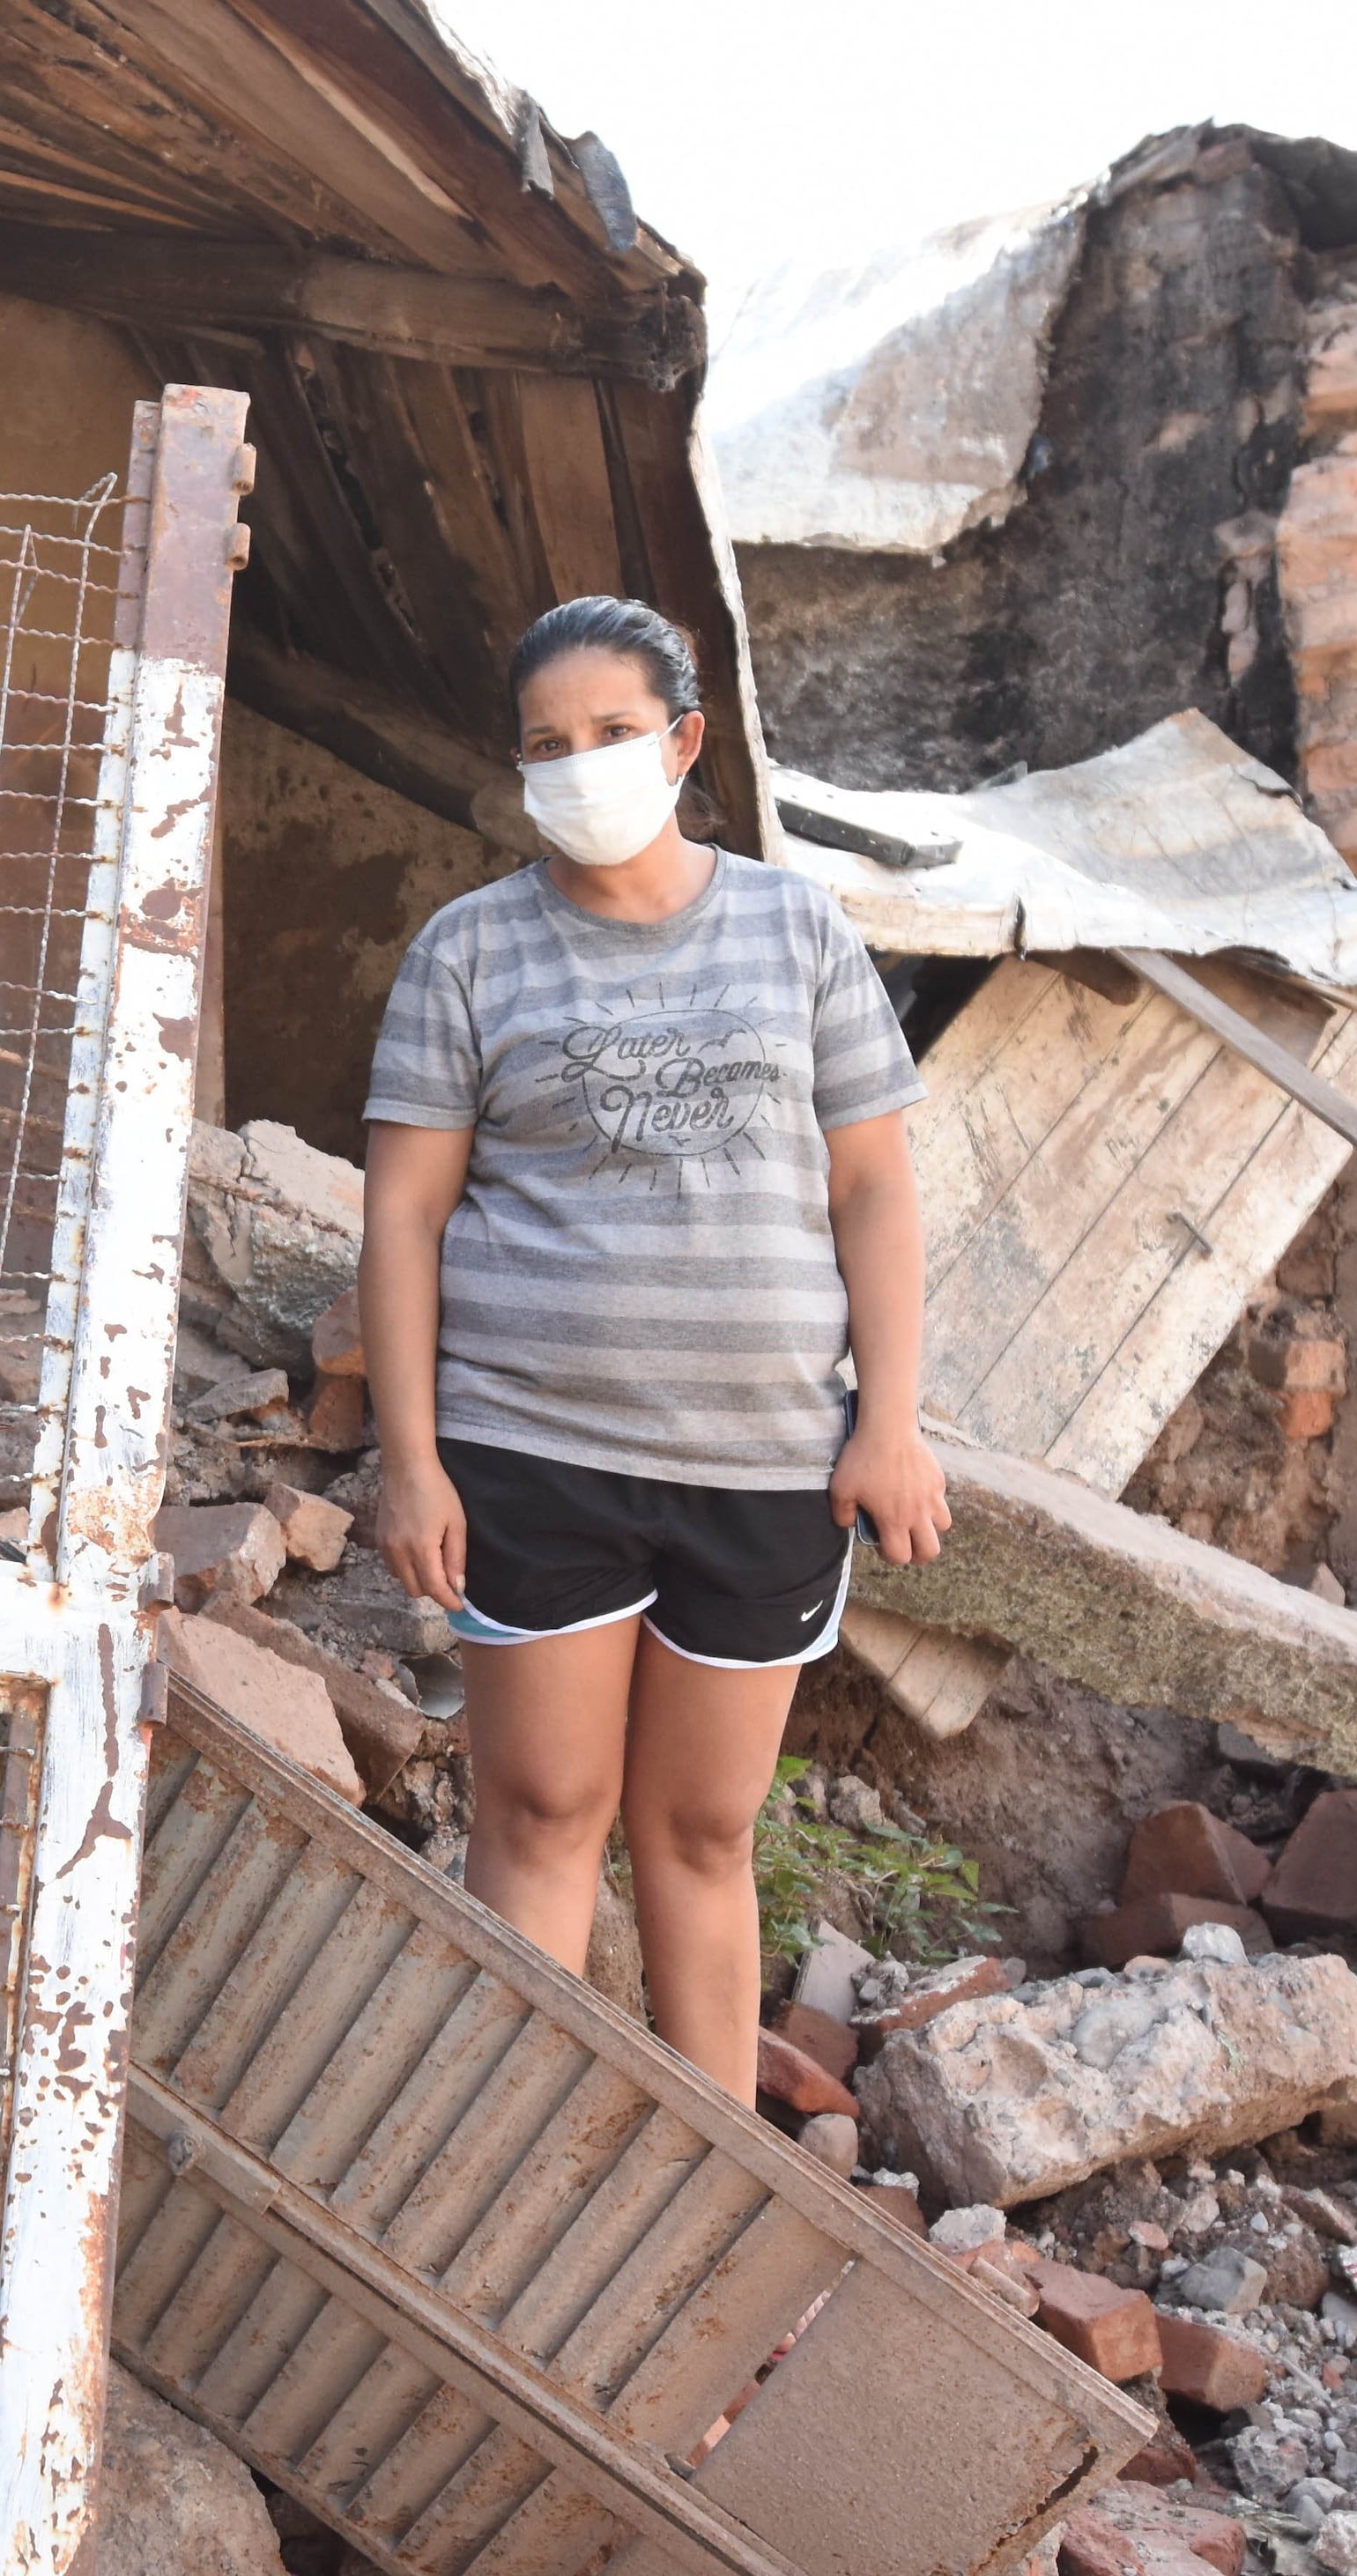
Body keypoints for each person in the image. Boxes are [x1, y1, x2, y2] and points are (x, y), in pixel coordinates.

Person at [359, 595, 949, 2100]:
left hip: (759, 1463)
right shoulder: (467, 952)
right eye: (547, 744)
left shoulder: (797, 927)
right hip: (533, 1454)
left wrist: (893, 1420)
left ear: (681, 742)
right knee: (545, 1813)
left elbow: (873, 1184)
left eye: (612, 734)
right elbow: (406, 1218)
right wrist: (415, 1460)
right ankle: (511, 2213)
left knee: (699, 1834)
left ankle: (712, 2211)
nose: (580, 765)